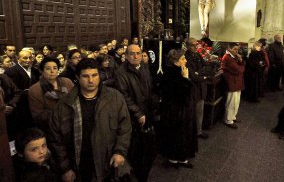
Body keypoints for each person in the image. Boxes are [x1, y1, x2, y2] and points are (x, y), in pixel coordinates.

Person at [49, 58, 132, 182]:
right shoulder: (65, 104)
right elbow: (56, 139)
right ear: (77, 77)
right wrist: (65, 168)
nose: (91, 80)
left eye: (94, 75)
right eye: (86, 76)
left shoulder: (114, 97)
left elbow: (125, 127)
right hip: (79, 164)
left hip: (107, 162)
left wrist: (120, 151)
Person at [115, 44, 156, 182]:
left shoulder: (144, 67)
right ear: (126, 56)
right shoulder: (121, 73)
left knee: (148, 148)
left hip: (147, 112)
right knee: (136, 150)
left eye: (138, 53)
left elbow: (149, 87)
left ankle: (143, 173)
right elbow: (124, 96)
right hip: (133, 117)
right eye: (132, 53)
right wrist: (138, 113)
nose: (136, 56)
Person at [159, 49, 197, 168]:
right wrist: (185, 79)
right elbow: (181, 93)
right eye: (182, 59)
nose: (185, 60)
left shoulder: (181, 70)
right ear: (175, 61)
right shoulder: (171, 74)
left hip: (184, 109)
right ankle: (173, 159)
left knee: (184, 134)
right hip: (176, 110)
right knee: (177, 135)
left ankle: (182, 158)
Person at [28, 57, 74, 131]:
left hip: (71, 121)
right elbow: (38, 115)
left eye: (55, 68)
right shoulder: (35, 89)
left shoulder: (67, 82)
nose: (52, 71)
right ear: (42, 71)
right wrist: (61, 113)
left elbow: (76, 99)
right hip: (50, 127)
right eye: (48, 69)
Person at [185, 38, 208, 139]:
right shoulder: (186, 57)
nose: (195, 47)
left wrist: (200, 72)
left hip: (201, 88)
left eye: (196, 45)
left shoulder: (197, 55)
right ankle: (191, 133)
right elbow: (192, 76)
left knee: (200, 111)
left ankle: (198, 131)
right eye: (192, 45)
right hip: (193, 89)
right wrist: (201, 75)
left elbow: (206, 66)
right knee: (191, 113)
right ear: (187, 46)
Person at [222, 42, 245, 129]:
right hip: (232, 83)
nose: (237, 51)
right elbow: (238, 70)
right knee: (231, 102)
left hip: (236, 82)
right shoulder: (227, 58)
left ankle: (233, 117)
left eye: (237, 49)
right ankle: (228, 120)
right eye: (235, 49)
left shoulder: (233, 57)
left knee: (236, 102)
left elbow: (239, 68)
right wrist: (241, 64)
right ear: (229, 49)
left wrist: (240, 61)